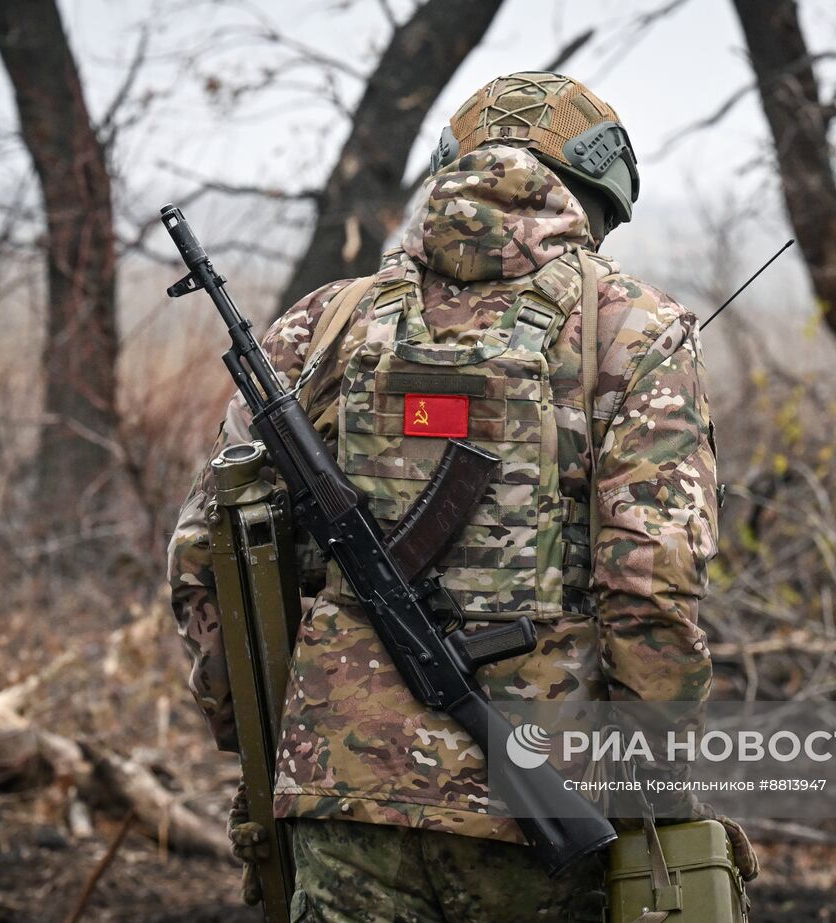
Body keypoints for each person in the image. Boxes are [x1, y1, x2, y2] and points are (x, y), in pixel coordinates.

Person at [168, 71, 722, 921]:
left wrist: (266, 749)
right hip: (537, 805)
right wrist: (662, 802)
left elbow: (209, 558)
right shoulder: (635, 331)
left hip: (341, 791)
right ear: (597, 197)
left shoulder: (326, 323)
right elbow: (652, 592)